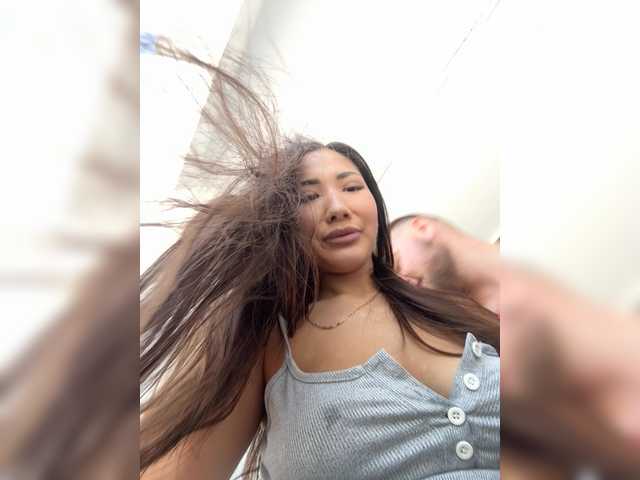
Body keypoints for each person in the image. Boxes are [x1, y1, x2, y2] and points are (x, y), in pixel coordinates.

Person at [140, 48, 500, 479]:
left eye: (351, 187)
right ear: (280, 220)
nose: (337, 207)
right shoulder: (267, 340)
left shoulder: (448, 309)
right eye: (308, 197)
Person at [390, 213, 640, 477]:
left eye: (396, 262)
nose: (403, 283)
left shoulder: (545, 237)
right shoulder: (474, 347)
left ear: (422, 227)